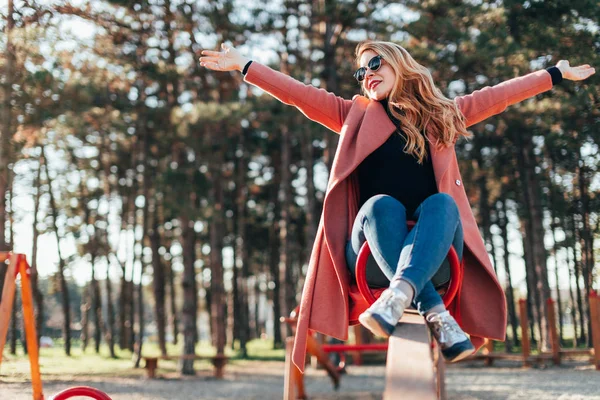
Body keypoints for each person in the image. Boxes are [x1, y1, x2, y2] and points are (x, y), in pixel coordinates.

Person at [200, 41, 595, 367]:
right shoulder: (352, 115)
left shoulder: (442, 116)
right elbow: (298, 95)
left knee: (443, 205)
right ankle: (433, 310)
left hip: (437, 259)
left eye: (374, 63)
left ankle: (411, 298)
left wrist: (555, 74)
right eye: (360, 71)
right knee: (379, 206)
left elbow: (499, 97)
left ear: (400, 65)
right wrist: (245, 65)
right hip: (371, 260)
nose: (367, 74)